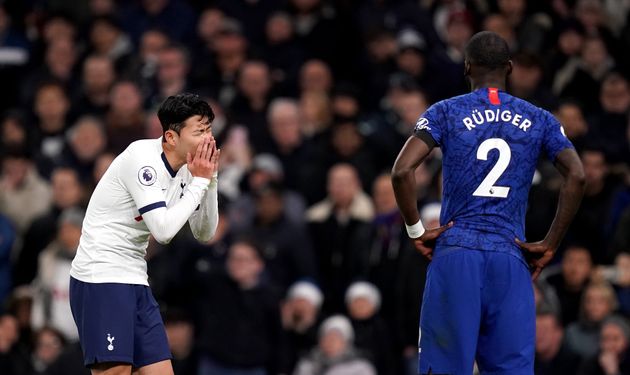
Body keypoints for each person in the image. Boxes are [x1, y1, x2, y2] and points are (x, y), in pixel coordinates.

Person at [391, 31, 586, 375]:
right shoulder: (540, 118)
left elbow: (402, 171)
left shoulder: (445, 111)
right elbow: (577, 176)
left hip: (457, 252)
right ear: (510, 68)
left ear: (466, 67)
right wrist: (551, 242)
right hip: (510, 259)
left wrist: (416, 230)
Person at [69, 93, 221, 375]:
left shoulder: (191, 169)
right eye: (199, 131)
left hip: (135, 278)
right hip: (101, 276)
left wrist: (209, 181)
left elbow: (204, 232)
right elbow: (162, 231)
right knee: (116, 371)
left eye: (209, 129)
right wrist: (199, 180)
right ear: (171, 137)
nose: (208, 139)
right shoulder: (142, 160)